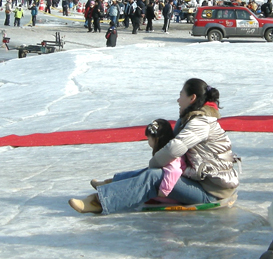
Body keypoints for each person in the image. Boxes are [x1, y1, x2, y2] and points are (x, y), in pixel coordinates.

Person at [69, 78, 240, 214]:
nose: (178, 99)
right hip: (203, 183)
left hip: (212, 192)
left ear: (192, 98)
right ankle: (112, 184)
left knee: (155, 176)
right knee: (157, 172)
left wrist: (154, 163)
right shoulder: (191, 119)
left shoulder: (200, 123)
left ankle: (98, 202)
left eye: (181, 94)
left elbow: (173, 149)